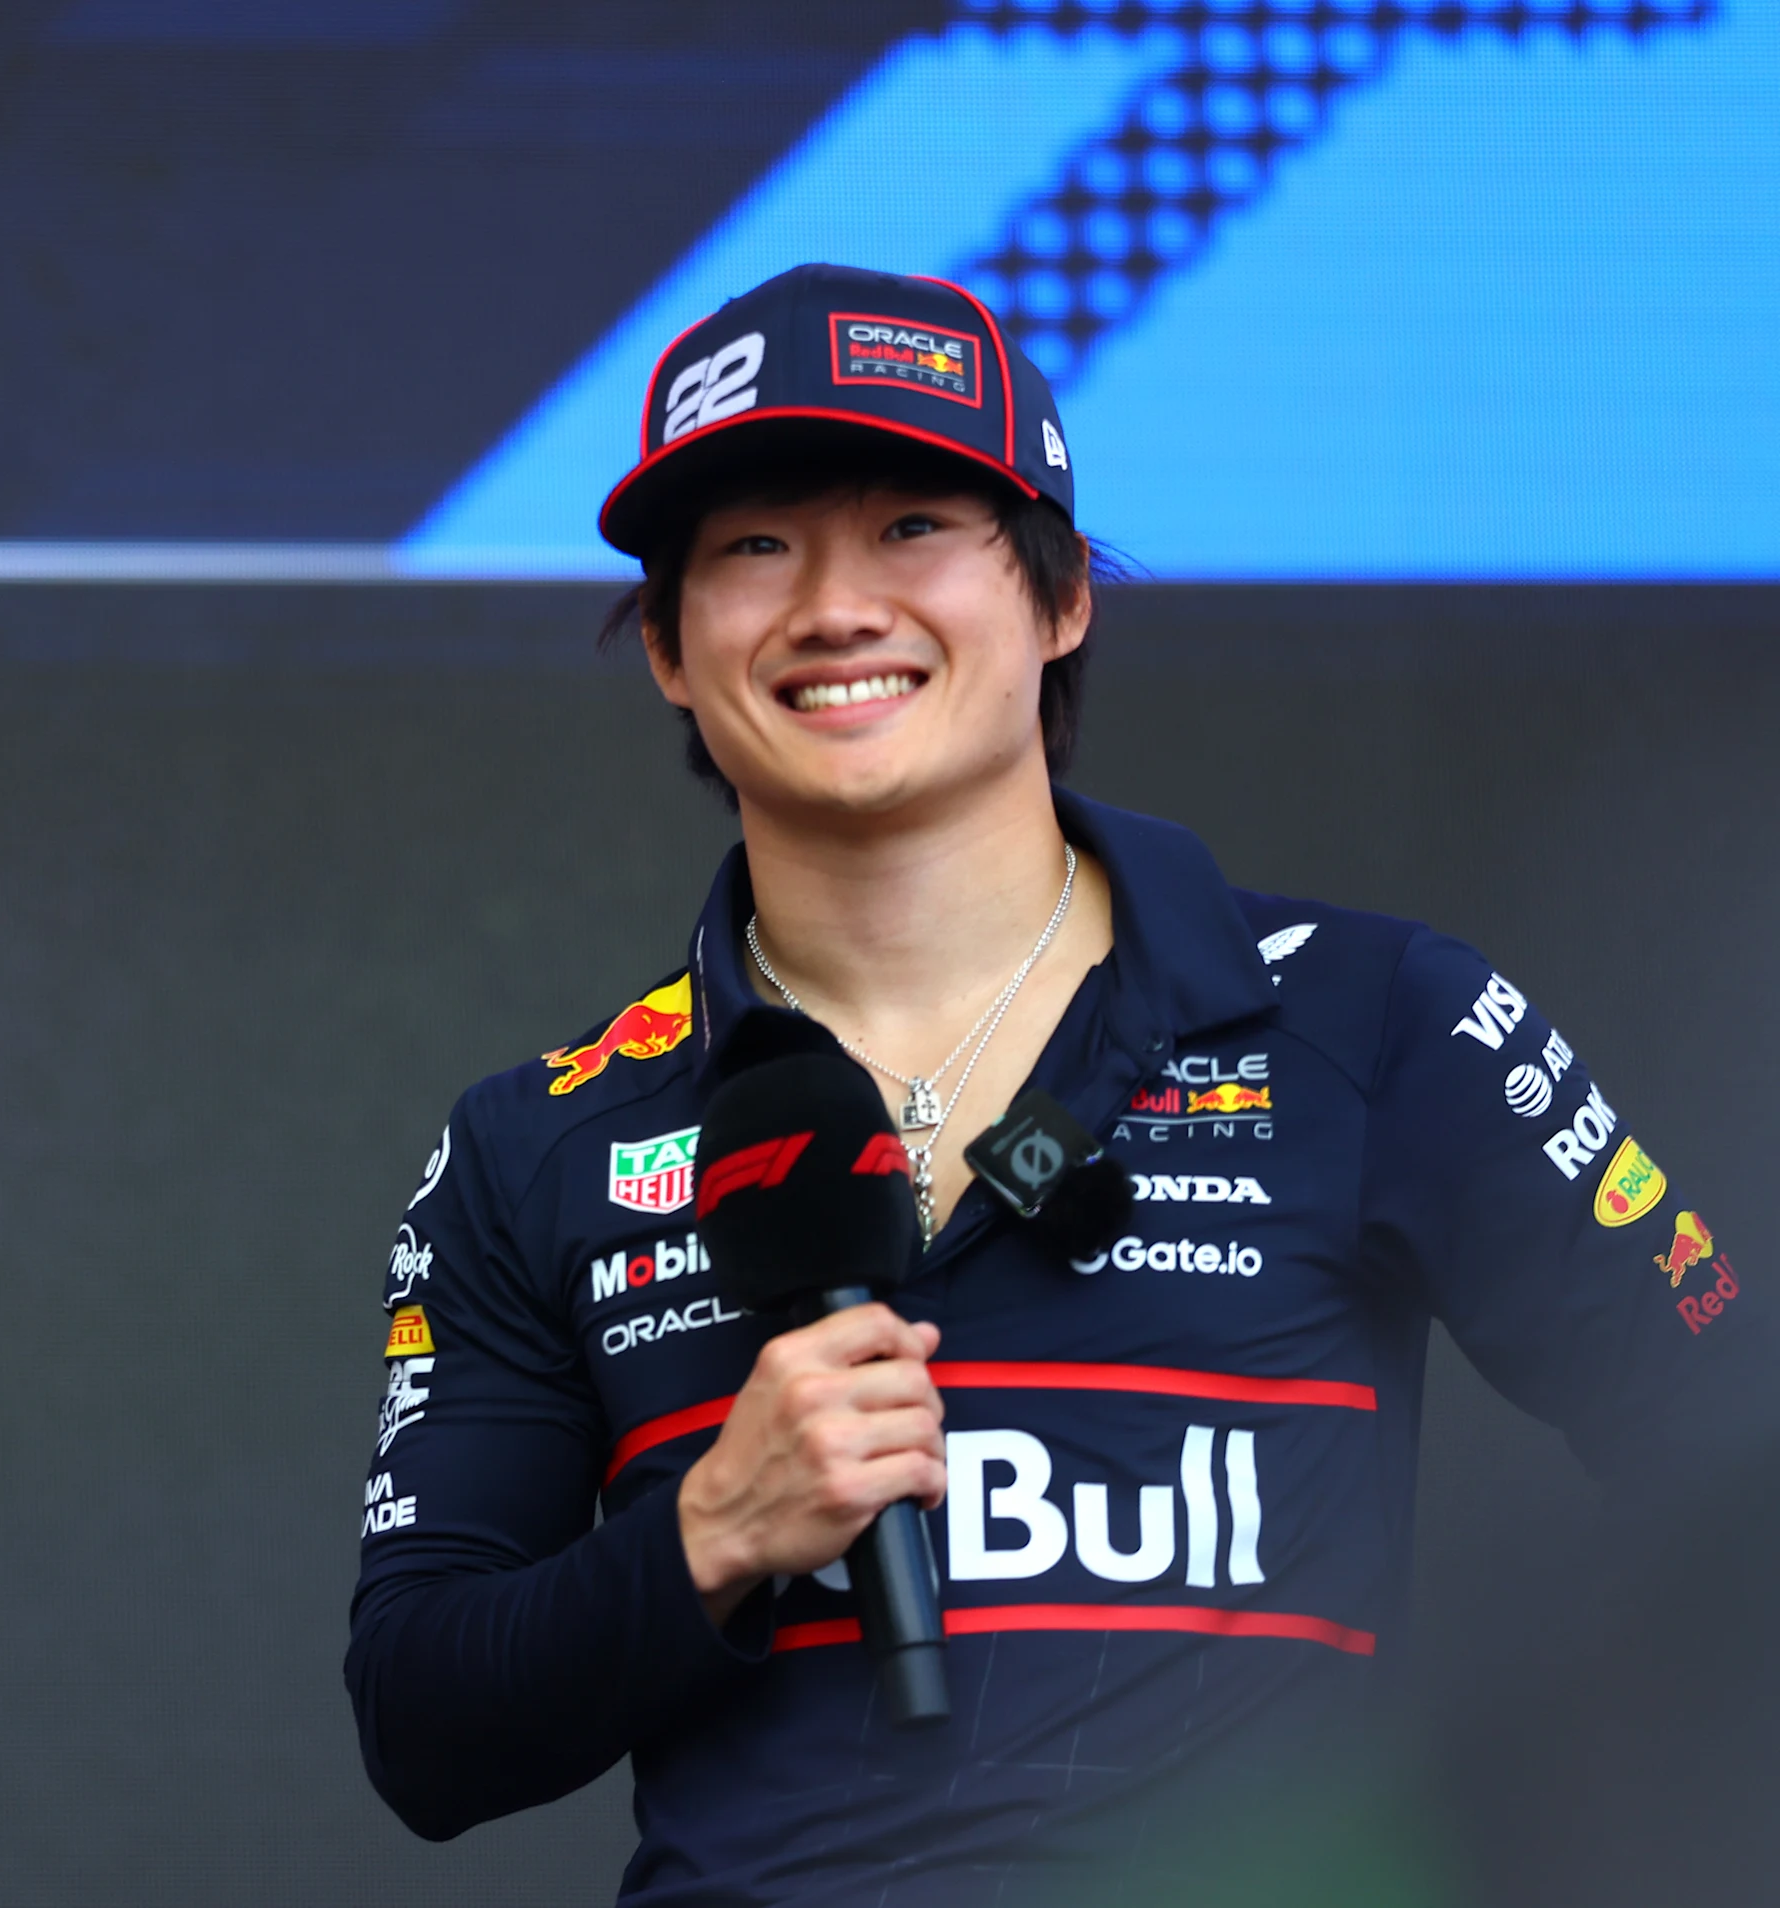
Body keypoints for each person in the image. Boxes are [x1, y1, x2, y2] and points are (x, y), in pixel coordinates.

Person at [342, 262, 1769, 1903]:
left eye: (912, 529)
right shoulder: (544, 1142)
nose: (834, 606)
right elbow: (424, 1726)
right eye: (753, 547)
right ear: (668, 644)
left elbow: (1731, 1459)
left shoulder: (1384, 1024)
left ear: (1060, 596)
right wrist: (711, 1532)